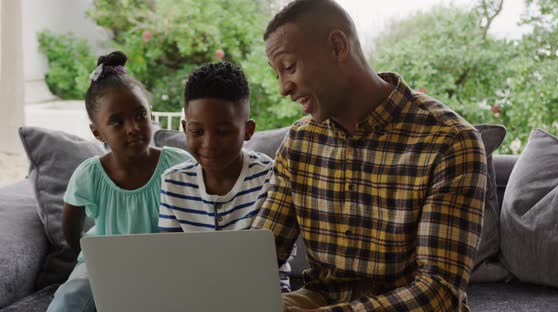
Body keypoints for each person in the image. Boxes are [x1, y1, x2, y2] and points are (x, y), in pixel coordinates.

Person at [251, 0, 488, 311]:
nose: (283, 88)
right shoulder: (300, 142)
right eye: (278, 74)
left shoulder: (449, 141)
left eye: (290, 68)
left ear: (337, 47)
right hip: (320, 300)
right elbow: (257, 257)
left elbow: (439, 292)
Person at [47, 51, 193, 312]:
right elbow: (70, 224)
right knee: (71, 297)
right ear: (97, 132)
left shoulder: (178, 163)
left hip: (164, 263)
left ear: (151, 115)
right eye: (117, 121)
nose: (133, 127)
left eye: (140, 115)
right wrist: (87, 252)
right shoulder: (89, 175)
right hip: (105, 263)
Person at [158, 62, 293, 292]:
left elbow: (274, 257)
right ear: (184, 128)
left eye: (223, 132)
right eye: (197, 131)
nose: (209, 144)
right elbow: (172, 260)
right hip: (196, 292)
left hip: (260, 290)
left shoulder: (270, 176)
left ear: (248, 130)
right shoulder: (173, 182)